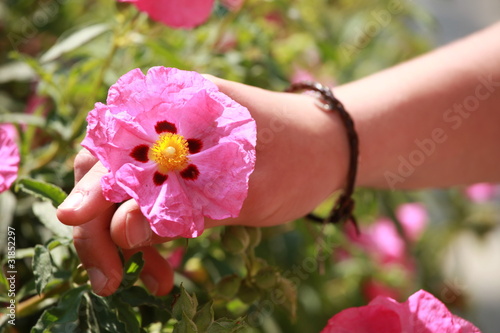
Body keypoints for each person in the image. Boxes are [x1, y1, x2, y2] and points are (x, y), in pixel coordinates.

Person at [56, 22, 500, 297]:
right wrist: (326, 142)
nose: (170, 148)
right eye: (163, 145)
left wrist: (326, 143)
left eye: (176, 146)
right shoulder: (152, 149)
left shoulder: (184, 156)